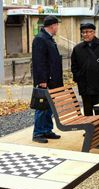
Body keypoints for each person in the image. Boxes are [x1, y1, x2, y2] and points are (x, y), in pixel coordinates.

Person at [71, 23, 99, 116]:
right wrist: (78, 77)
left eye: (88, 32)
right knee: (87, 112)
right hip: (85, 85)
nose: (85, 34)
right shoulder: (78, 48)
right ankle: (90, 130)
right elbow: (74, 66)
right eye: (83, 32)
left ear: (94, 32)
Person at [31, 15, 63, 144]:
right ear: (52, 25)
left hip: (52, 80)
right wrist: (42, 80)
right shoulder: (40, 39)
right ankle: (38, 133)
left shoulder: (48, 38)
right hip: (45, 81)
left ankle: (47, 130)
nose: (57, 28)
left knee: (49, 106)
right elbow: (39, 62)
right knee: (42, 106)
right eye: (57, 25)